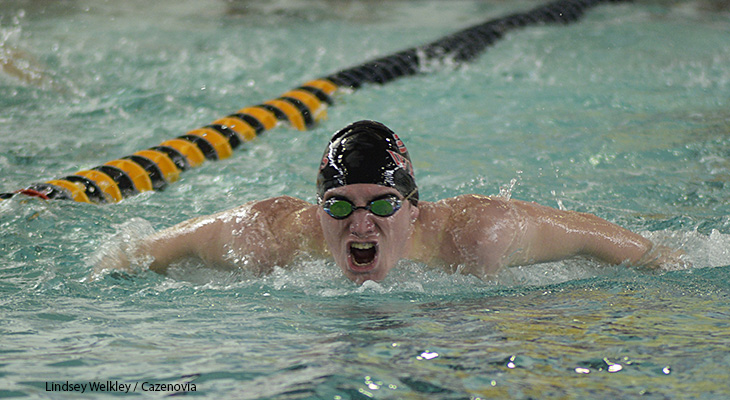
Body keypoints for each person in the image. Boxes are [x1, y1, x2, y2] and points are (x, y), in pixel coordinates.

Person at [97, 120, 682, 284]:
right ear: (315, 209)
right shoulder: (265, 236)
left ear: (415, 208)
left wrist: (663, 259)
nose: (360, 223)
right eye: (339, 206)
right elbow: (133, 252)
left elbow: (608, 241)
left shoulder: (478, 236)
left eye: (381, 205)